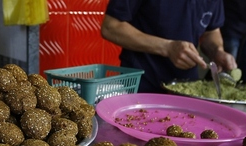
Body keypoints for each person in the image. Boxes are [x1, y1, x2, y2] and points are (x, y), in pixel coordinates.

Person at [100, 0, 237, 94]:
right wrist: (167, 47)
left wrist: (217, 51)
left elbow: (211, 31)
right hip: (141, 85)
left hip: (187, 89)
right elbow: (111, 27)